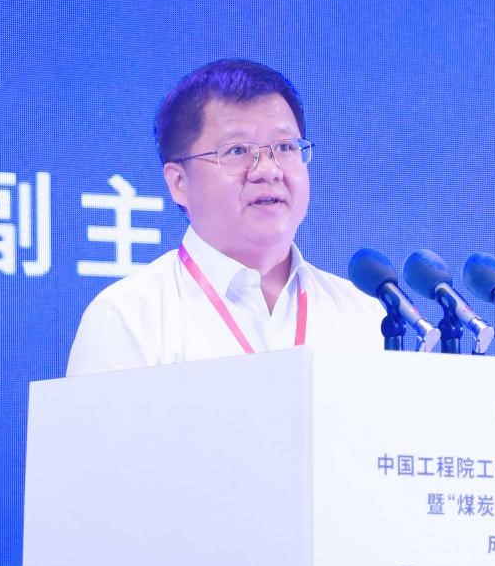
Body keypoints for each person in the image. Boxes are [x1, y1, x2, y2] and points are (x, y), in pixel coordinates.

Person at [66, 59, 385, 375]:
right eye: (237, 151)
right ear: (179, 183)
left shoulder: (362, 316)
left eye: (285, 148)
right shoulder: (128, 320)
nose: (268, 170)